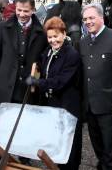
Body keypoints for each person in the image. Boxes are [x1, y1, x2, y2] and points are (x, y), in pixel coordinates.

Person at [0, 0, 48, 169]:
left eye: (26, 11)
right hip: (4, 85)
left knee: (25, 125)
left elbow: (41, 63)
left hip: (27, 88)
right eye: (19, 10)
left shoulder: (41, 32)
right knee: (1, 126)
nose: (21, 14)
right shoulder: (4, 27)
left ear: (33, 10)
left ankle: (24, 158)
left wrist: (35, 82)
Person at [79, 3, 112, 170]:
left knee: (111, 147)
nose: (88, 21)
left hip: (109, 105)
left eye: (91, 18)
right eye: (85, 19)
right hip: (90, 106)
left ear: (101, 18)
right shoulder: (83, 41)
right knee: (97, 144)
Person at [26, 17, 82, 170]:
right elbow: (43, 69)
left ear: (64, 34)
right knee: (56, 139)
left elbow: (60, 81)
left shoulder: (71, 55)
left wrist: (38, 83)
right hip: (53, 103)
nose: (52, 40)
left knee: (69, 141)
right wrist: (35, 75)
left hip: (67, 104)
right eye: (49, 37)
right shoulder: (49, 51)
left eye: (55, 36)